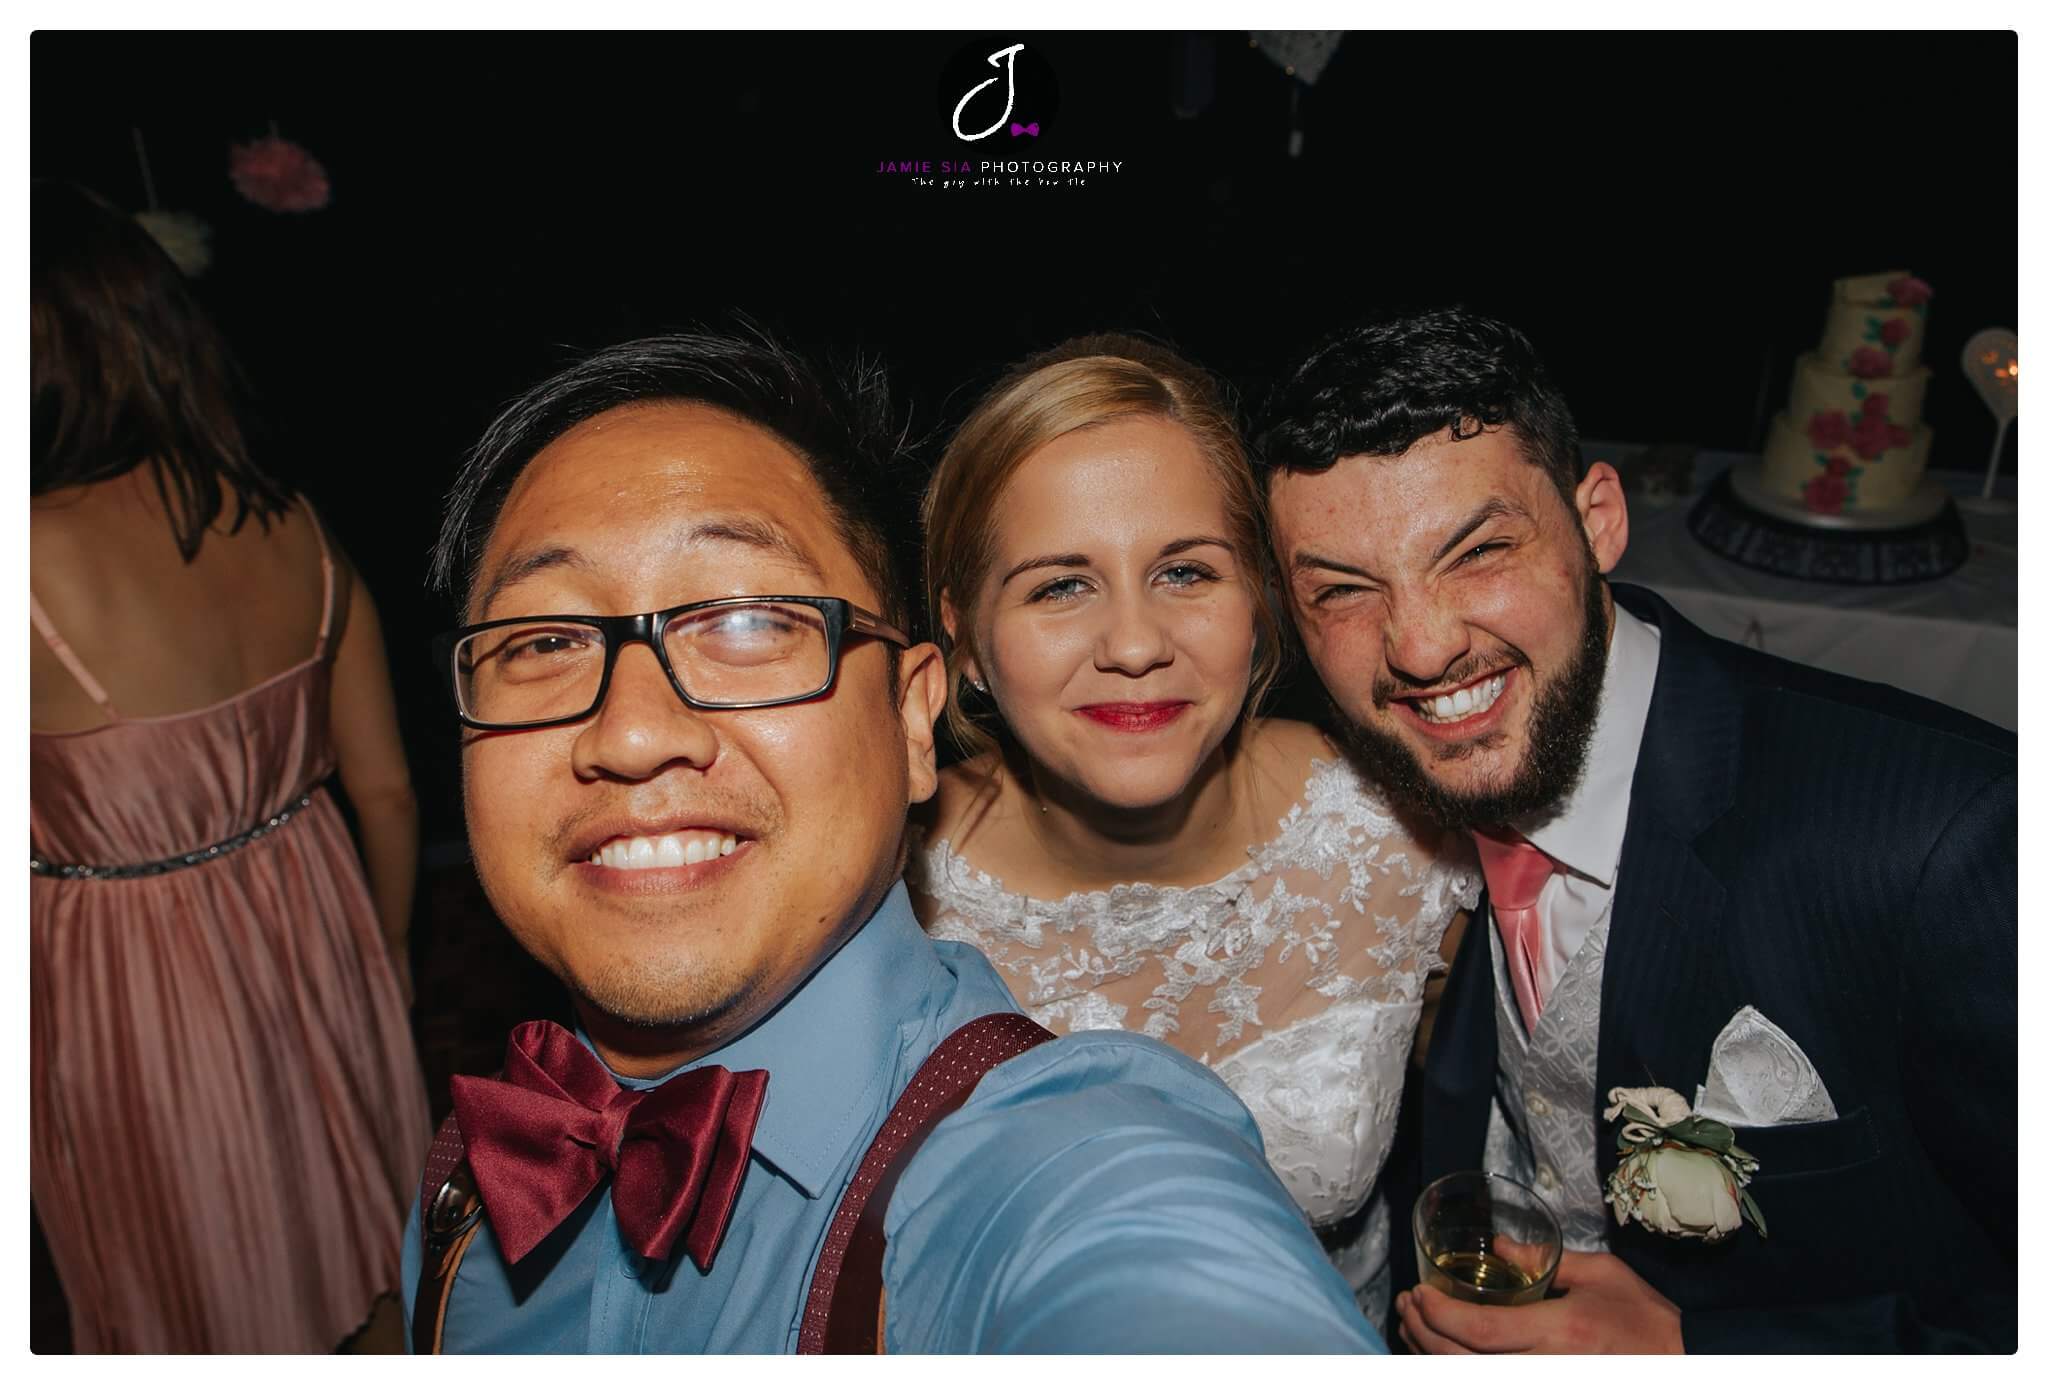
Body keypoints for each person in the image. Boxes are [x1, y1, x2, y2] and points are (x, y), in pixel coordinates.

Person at [401, 325, 1383, 1353]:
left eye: (746, 621)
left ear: (912, 718)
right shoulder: (475, 1179)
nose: (634, 731)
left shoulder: (1060, 1160)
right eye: (546, 639)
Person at [1255, 306, 2016, 1353]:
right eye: (1341, 591)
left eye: (1476, 553)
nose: (1420, 647)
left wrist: (1696, 1351)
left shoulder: (1949, 835)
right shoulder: (1377, 804)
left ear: (1597, 518)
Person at [907, 332, 1478, 1332]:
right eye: (1058, 585)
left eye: (1183, 571)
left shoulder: (1401, 836)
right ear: (963, 642)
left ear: (1256, 598)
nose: (1135, 644)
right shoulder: (877, 891)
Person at [29, 181, 432, 1352]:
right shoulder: (292, 520)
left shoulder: (27, 557)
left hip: (127, 968)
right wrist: (390, 952)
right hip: (317, 922)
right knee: (341, 1239)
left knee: (189, 1274)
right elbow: (390, 792)